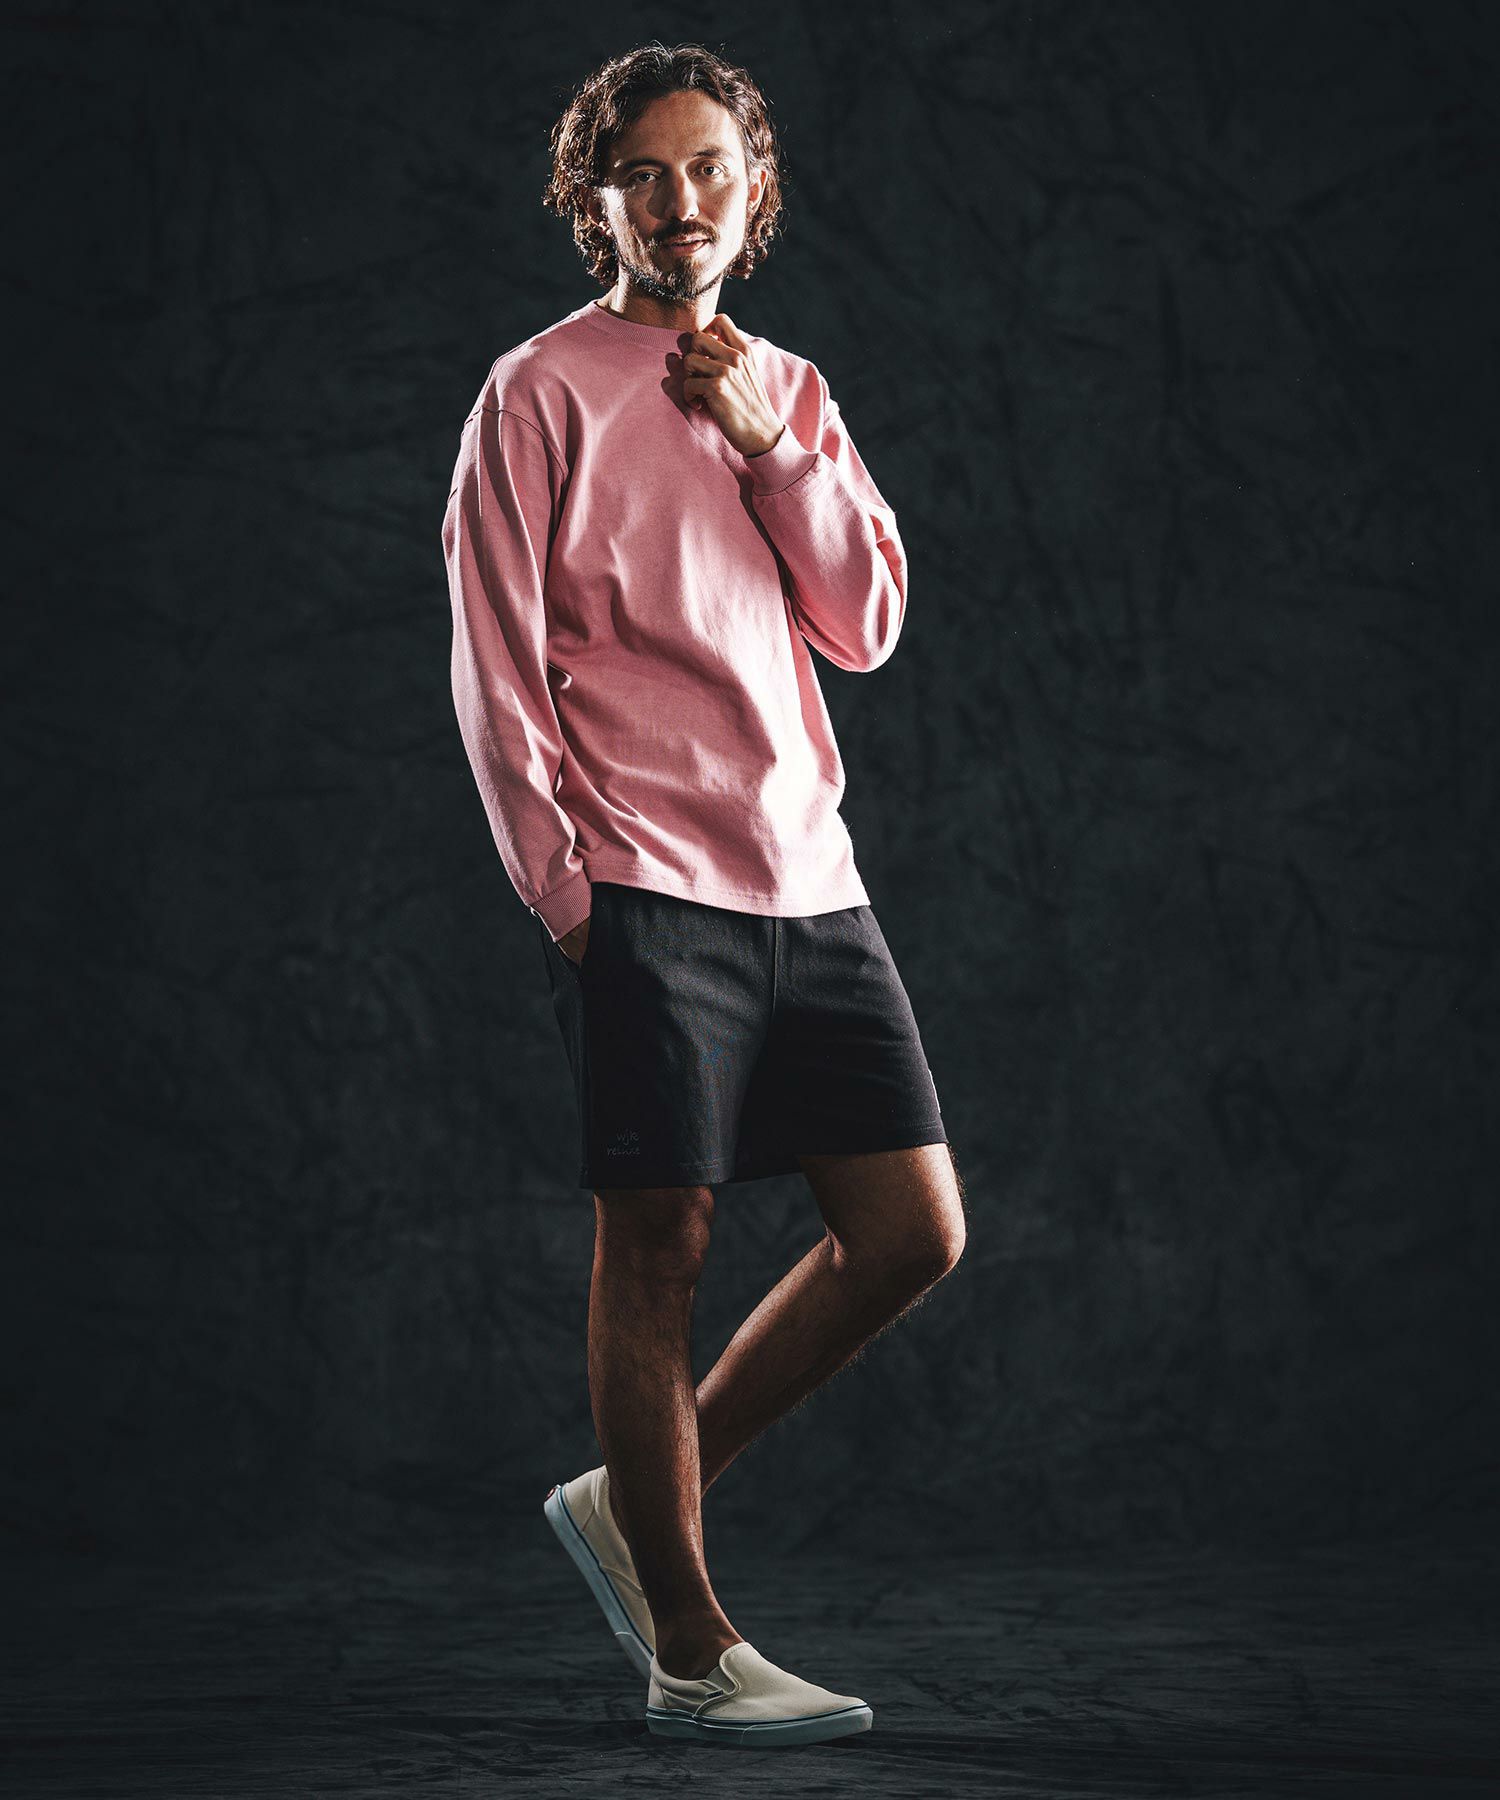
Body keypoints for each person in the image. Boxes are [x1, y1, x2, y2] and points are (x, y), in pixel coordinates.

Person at [441, 41, 968, 1747]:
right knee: (659, 1245)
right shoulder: (536, 391)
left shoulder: (788, 387)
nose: (682, 204)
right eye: (644, 175)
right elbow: (496, 668)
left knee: (912, 1232)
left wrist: (767, 446)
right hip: (641, 881)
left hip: (807, 872)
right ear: (593, 200)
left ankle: (634, 1501)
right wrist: (567, 896)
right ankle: (688, 1641)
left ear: (756, 193)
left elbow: (864, 625)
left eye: (712, 170)